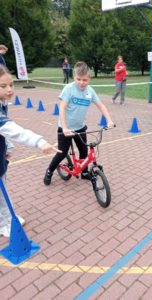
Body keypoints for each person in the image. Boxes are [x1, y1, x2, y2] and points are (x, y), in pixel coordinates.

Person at [0, 65, 59, 237]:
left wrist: (8, 147)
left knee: (2, 188)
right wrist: (39, 142)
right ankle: (5, 224)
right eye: (3, 86)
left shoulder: (3, 102)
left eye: (11, 84)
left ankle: (6, 218)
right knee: (1, 192)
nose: (10, 89)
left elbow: (4, 131)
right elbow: (12, 129)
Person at [44, 61, 114, 185]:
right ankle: (49, 171)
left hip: (80, 127)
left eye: (85, 80)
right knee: (62, 152)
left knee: (84, 151)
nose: (81, 83)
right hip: (65, 128)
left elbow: (101, 106)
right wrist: (65, 128)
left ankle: (84, 172)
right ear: (74, 77)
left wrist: (109, 120)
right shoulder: (69, 89)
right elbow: (62, 108)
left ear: (89, 79)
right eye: (79, 79)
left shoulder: (90, 91)